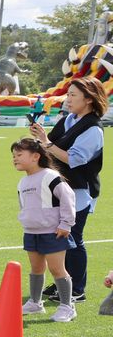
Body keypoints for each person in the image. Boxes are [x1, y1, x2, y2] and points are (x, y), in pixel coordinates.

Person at [31, 75, 106, 303]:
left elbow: (73, 160)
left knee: (73, 237)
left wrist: (47, 143)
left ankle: (77, 289)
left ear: (89, 99)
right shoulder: (68, 119)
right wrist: (37, 140)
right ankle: (64, 283)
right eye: (68, 94)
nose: (68, 99)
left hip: (79, 191)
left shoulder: (93, 129)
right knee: (60, 237)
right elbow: (49, 145)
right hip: (60, 188)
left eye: (73, 95)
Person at [12, 138, 76, 322]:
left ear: (35, 156)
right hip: (31, 232)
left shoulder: (50, 176)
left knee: (57, 269)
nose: (15, 159)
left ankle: (67, 306)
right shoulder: (22, 183)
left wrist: (66, 224)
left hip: (53, 232)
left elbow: (68, 198)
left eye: (19, 154)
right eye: (14, 156)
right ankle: (35, 303)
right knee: (36, 268)